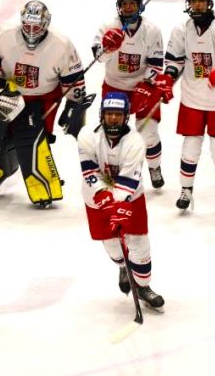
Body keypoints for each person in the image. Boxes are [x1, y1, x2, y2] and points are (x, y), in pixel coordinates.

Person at [0, 0, 90, 207]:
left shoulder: (61, 44)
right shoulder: (4, 33)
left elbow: (74, 80)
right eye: (27, 25)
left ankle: (44, 189)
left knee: (31, 145)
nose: (32, 31)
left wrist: (75, 106)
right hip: (6, 92)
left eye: (37, 26)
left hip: (38, 100)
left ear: (46, 23)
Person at [156, 0, 215, 212]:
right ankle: (186, 190)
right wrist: (168, 77)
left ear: (210, 2)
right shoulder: (182, 29)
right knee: (190, 145)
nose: (198, 5)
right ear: (188, 3)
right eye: (194, 1)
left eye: (202, 1)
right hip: (192, 97)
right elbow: (175, 59)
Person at [77, 92, 164, 310]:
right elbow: (89, 170)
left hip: (130, 197)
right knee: (113, 245)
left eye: (117, 114)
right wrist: (101, 194)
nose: (113, 118)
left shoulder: (135, 141)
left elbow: (129, 177)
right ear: (101, 115)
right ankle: (123, 267)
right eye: (109, 114)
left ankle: (144, 287)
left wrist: (116, 203)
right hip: (95, 198)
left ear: (126, 116)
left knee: (139, 243)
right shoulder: (86, 135)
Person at [92, 0, 166, 188]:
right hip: (114, 86)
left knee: (148, 133)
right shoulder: (108, 26)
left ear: (140, 5)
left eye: (132, 3)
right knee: (111, 132)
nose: (128, 7)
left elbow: (156, 65)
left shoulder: (151, 30)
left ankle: (154, 166)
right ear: (119, 7)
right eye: (124, 4)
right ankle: (113, 171)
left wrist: (145, 86)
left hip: (143, 85)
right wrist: (109, 47)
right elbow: (98, 59)